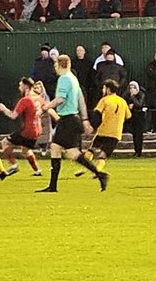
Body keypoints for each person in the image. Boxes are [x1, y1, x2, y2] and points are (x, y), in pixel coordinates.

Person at [35, 55, 105, 194]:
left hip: (67, 119)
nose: (55, 68)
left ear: (60, 65)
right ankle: (53, 186)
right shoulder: (74, 79)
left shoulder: (64, 79)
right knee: (59, 149)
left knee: (69, 152)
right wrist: (84, 119)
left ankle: (99, 175)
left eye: (55, 65)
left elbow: (60, 99)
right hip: (73, 119)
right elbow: (81, 100)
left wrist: (44, 108)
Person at [82, 79, 132, 190]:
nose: (103, 90)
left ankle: (85, 167)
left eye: (104, 88)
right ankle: (98, 170)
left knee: (92, 149)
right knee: (103, 155)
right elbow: (128, 116)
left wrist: (92, 126)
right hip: (116, 133)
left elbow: (97, 113)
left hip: (103, 131)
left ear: (108, 89)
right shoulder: (123, 101)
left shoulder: (104, 100)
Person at [0, 78, 43, 177]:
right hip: (37, 129)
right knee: (26, 149)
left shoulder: (25, 100)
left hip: (28, 129)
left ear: (25, 86)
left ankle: (13, 165)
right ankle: (37, 170)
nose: (19, 87)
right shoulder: (39, 98)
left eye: (20, 85)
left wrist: (3, 108)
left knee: (5, 142)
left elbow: (13, 115)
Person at [125, 81, 146, 156]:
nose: (132, 89)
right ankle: (136, 150)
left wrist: (133, 97)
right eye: (130, 88)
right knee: (134, 134)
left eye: (134, 87)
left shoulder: (141, 94)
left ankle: (139, 151)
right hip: (132, 116)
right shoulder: (127, 95)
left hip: (139, 116)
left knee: (139, 134)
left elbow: (140, 104)